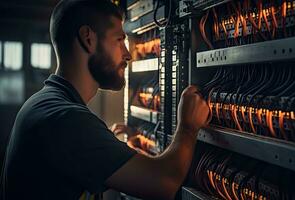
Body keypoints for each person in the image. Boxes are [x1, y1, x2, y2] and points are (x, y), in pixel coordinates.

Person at [0, 0, 210, 199]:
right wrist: (188, 126)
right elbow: (164, 183)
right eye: (120, 40)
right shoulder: (64, 119)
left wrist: (112, 145)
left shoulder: (48, 105)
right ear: (88, 39)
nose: (128, 54)